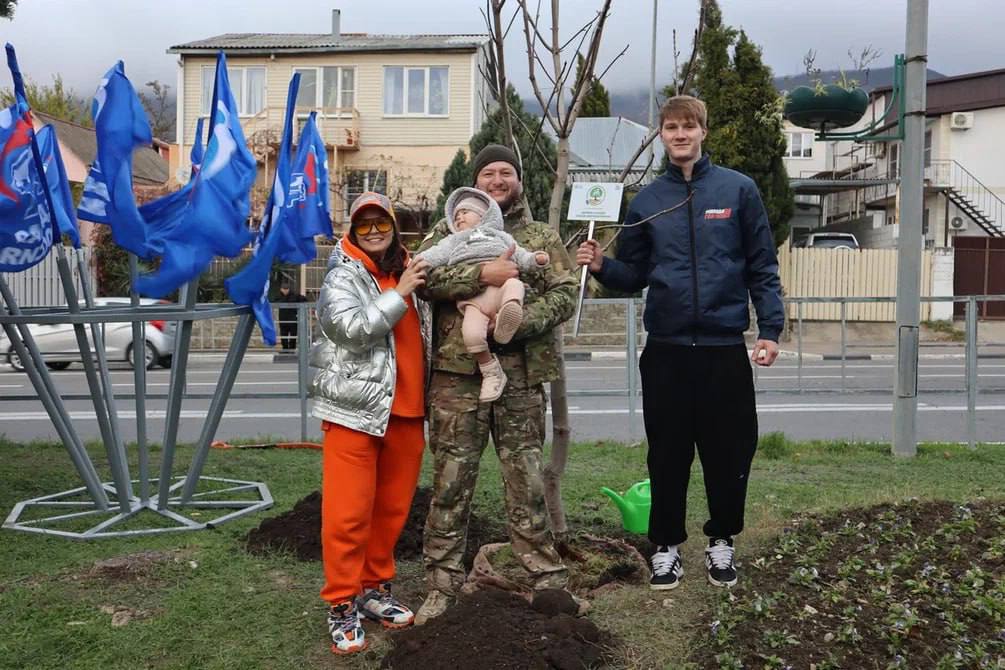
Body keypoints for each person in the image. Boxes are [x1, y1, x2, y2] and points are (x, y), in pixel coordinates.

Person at [576, 95, 784, 591]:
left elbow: (762, 266)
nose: (680, 135)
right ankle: (665, 546)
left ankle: (721, 541)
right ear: (662, 135)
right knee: (667, 452)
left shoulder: (739, 190)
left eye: (688, 126)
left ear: (703, 132)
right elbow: (635, 273)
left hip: (722, 348)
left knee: (729, 451)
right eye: (670, 127)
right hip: (666, 348)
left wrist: (771, 329)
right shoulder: (647, 200)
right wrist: (602, 266)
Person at [415, 144, 576, 624]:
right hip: (456, 378)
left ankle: (545, 580)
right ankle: (441, 584)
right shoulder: (449, 229)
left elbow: (566, 292)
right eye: (488, 172)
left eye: (507, 171)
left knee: (525, 480)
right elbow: (422, 277)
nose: (498, 180)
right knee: (449, 482)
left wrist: (518, 322)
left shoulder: (539, 235)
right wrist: (481, 273)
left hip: (522, 378)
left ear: (519, 180)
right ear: (474, 182)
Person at [308, 191, 431, 654]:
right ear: (353, 231)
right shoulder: (341, 276)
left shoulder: (410, 268)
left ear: (394, 226)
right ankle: (342, 601)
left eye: (381, 222)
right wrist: (399, 296)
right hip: (354, 414)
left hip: (407, 411)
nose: (374, 230)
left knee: (391, 511)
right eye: (365, 224)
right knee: (347, 513)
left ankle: (375, 589)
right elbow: (352, 330)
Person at [414, 186, 550, 402]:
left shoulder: (513, 235)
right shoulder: (450, 237)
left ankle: (510, 312)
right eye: (456, 215)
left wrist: (536, 260)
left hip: (523, 370)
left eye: (465, 213)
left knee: (515, 286)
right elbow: (425, 276)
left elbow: (527, 260)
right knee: (472, 333)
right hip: (470, 316)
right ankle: (490, 370)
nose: (459, 218)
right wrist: (481, 274)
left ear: (484, 215)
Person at [275, 280, 307, 351]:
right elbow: (274, 302)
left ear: (289, 289)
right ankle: (285, 349)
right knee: (283, 335)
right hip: (283, 319)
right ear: (281, 289)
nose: (285, 291)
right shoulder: (278, 296)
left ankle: (292, 349)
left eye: (287, 289)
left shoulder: (295, 296)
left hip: (292, 319)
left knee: (293, 334)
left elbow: (304, 299)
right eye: (284, 289)